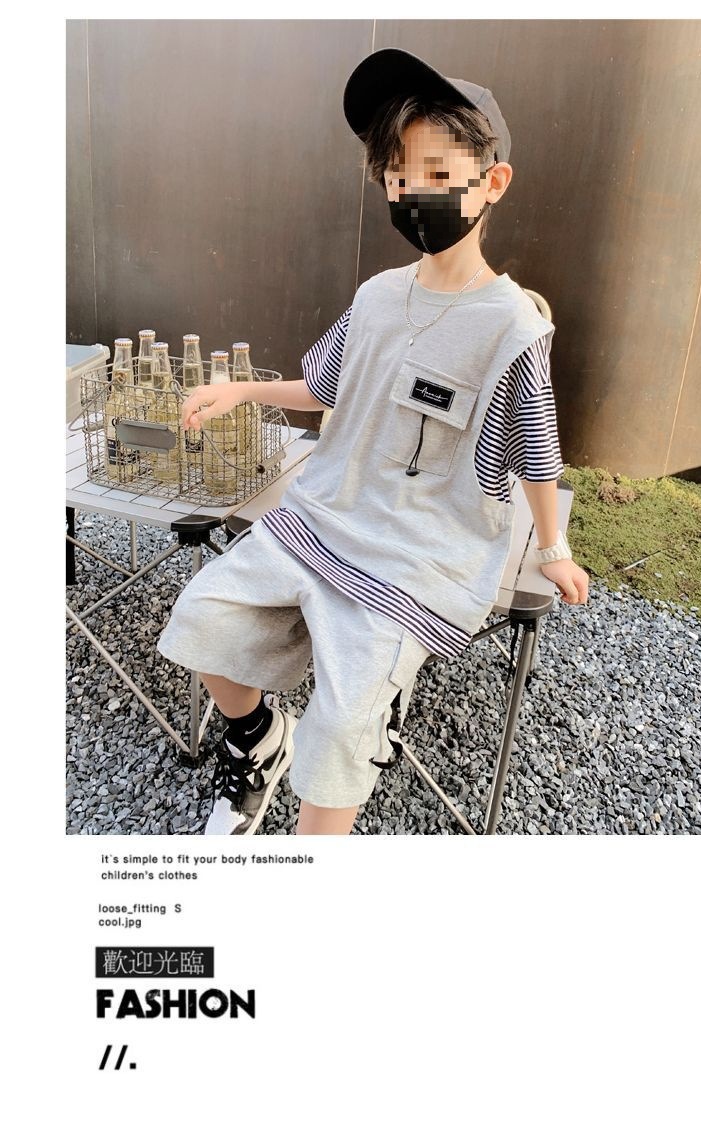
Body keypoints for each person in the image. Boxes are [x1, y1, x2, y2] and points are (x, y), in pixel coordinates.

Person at [157, 47, 589, 837]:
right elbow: (324, 388)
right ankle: (258, 739)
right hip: (323, 518)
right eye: (397, 175)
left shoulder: (513, 327)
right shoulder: (377, 295)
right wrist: (242, 391)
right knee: (201, 617)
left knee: (341, 734)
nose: (412, 192)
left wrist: (553, 548)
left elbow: (534, 448)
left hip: (417, 557)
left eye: (437, 172)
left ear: (492, 182)